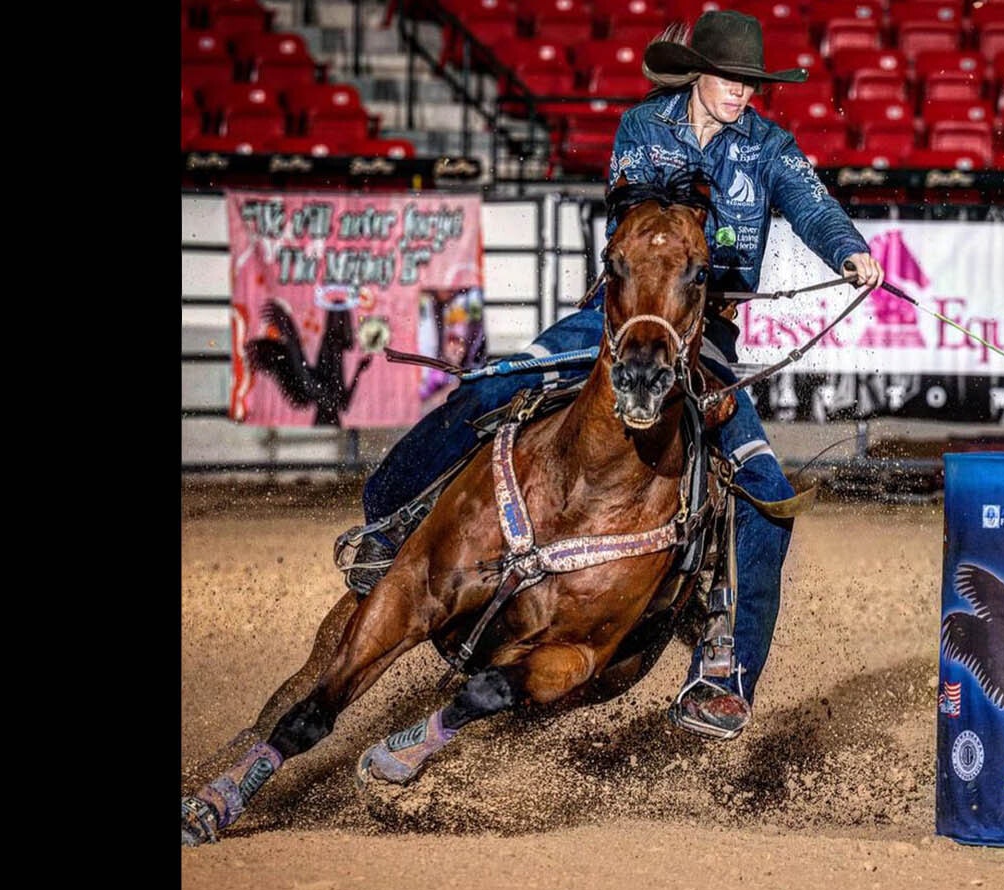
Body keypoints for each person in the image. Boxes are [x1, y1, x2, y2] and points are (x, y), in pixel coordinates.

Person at [337, 8, 884, 741]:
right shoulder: (643, 130)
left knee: (766, 492)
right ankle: (390, 524)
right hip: (616, 322)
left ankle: (725, 673)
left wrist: (849, 250)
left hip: (704, 336)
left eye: (751, 83)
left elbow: (814, 207)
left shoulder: (772, 151)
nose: (741, 94)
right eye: (729, 79)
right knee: (491, 385)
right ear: (698, 76)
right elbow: (638, 201)